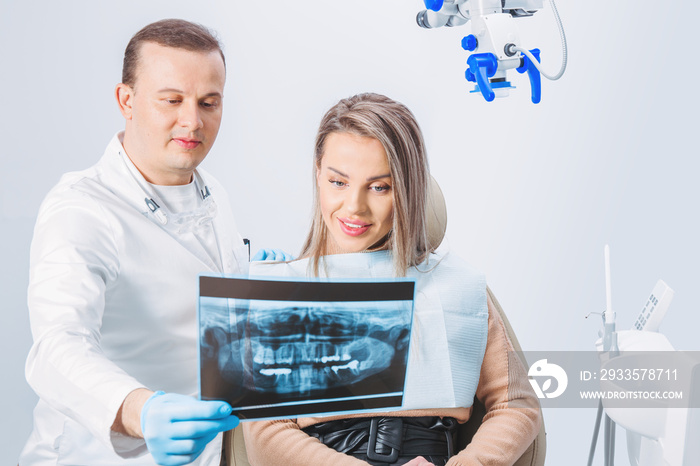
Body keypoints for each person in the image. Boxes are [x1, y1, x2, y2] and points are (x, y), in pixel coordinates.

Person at [242, 93, 542, 465]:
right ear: (318, 173)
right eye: (338, 182)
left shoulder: (460, 288)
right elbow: (267, 432)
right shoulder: (281, 291)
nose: (354, 206)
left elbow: (518, 404)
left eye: (379, 187)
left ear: (407, 189)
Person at [20, 19, 245, 465]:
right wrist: (140, 409)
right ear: (126, 100)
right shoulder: (82, 209)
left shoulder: (213, 192)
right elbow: (58, 347)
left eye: (209, 102)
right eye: (172, 100)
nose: (192, 121)